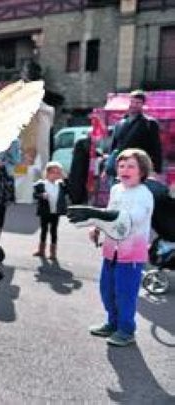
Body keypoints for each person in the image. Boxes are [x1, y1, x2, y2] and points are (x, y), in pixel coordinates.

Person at [86, 149, 154, 346]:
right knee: (107, 289)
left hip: (131, 255)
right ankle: (112, 323)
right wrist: (96, 226)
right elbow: (109, 211)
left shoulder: (144, 194)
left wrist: (107, 220)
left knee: (125, 293)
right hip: (110, 250)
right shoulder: (116, 189)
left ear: (142, 171)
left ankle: (126, 330)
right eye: (121, 165)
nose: (125, 169)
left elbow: (134, 218)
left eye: (131, 166)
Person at [105, 90, 162, 176]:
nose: (134, 105)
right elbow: (113, 147)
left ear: (143, 104)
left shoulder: (149, 123)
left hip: (139, 168)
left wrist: (156, 170)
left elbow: (156, 148)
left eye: (138, 103)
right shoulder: (120, 123)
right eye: (132, 101)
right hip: (119, 168)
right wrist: (107, 166)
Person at [32, 161, 69, 260]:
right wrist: (41, 195)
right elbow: (34, 195)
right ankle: (41, 250)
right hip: (45, 211)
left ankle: (53, 253)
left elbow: (69, 189)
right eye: (54, 172)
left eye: (58, 173)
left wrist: (64, 176)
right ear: (47, 173)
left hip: (55, 212)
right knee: (44, 230)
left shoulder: (61, 185)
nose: (56, 175)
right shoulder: (41, 184)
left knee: (54, 231)